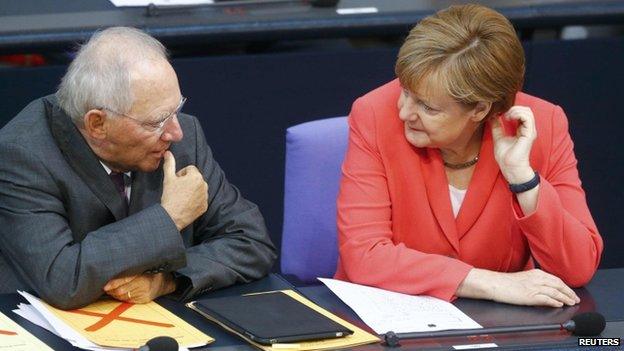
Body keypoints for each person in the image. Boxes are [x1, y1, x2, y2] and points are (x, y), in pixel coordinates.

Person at [335, 4, 603, 308]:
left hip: (497, 324)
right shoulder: (373, 114)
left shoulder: (544, 124)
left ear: (480, 109)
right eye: (405, 90)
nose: (404, 111)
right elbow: (363, 255)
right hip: (384, 316)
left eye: (428, 107)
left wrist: (523, 180)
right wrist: (487, 282)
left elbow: (578, 267)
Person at [0, 27, 276, 309]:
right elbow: (62, 279)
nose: (176, 132)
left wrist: (167, 280)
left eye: (176, 110)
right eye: (156, 121)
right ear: (97, 124)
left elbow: (251, 242)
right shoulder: (22, 155)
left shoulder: (182, 139)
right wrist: (169, 218)